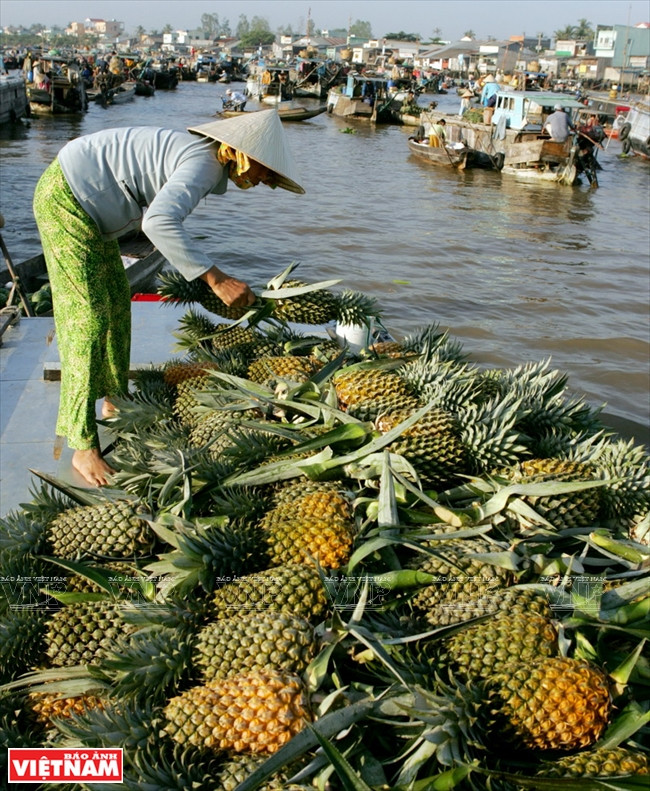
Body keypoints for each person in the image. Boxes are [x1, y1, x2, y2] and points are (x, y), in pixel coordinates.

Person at [32, 112, 304, 487]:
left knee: (115, 301)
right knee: (88, 319)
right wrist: (216, 278)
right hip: (66, 199)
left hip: (88, 205)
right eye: (264, 171)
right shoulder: (205, 165)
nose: (263, 181)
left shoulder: (205, 160)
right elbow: (157, 223)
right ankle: (81, 444)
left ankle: (114, 400)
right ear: (242, 155)